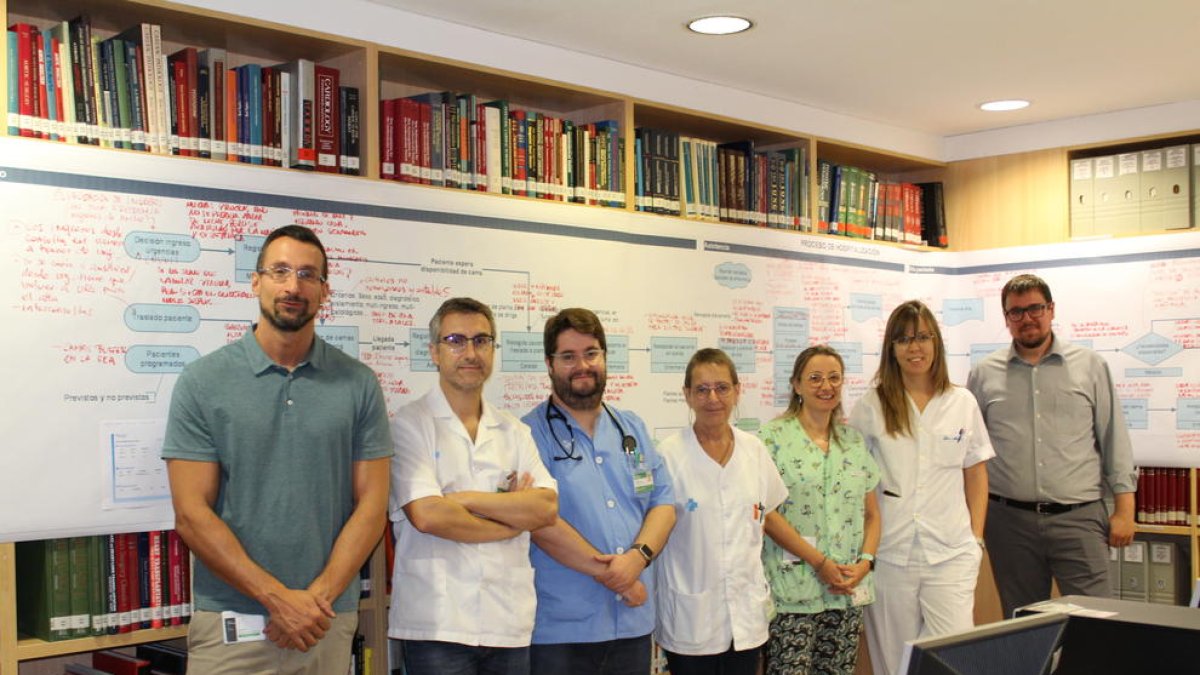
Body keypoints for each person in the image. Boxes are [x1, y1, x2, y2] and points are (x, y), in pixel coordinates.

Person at [162, 225, 393, 674]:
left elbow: (371, 504)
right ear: (256, 281)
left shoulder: (359, 383)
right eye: (280, 271)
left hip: (324, 619)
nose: (293, 286)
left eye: (308, 275)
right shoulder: (203, 381)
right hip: (232, 618)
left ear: (324, 292)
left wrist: (314, 602)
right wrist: (276, 599)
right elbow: (191, 513)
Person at [389, 297, 558, 675]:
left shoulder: (515, 431)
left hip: (507, 621)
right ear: (434, 351)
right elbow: (429, 516)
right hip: (437, 623)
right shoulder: (409, 423)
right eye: (455, 340)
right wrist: (512, 519)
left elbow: (545, 508)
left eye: (482, 341)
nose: (470, 352)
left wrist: (460, 499)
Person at [967, 273, 1137, 618]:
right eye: (1016, 312)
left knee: (1097, 622)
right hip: (1009, 523)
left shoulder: (1090, 366)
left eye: (1035, 308)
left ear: (1051, 309)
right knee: (1024, 626)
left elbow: (1114, 438)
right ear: (1006, 318)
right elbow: (971, 454)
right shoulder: (984, 374)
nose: (1027, 318)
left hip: (1080, 518)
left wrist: (1124, 510)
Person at [522, 308, 676, 674]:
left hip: (633, 623)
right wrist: (618, 577)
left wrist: (635, 560)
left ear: (605, 357)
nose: (582, 365)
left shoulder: (631, 428)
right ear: (549, 364)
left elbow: (663, 504)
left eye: (591, 353)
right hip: (561, 630)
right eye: (568, 356)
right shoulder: (528, 435)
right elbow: (540, 522)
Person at [849, 300, 993, 675]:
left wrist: (976, 538)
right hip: (892, 554)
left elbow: (975, 472)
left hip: (950, 552)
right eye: (904, 339)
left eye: (924, 337)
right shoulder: (872, 405)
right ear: (891, 349)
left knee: (955, 657)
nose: (915, 348)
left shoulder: (962, 402)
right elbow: (857, 482)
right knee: (895, 664)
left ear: (937, 344)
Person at [654, 348, 787, 675]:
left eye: (722, 387)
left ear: (737, 391)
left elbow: (767, 513)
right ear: (687, 395)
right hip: (690, 618)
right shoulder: (668, 456)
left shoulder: (754, 451)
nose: (713, 398)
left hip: (746, 617)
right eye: (702, 389)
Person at [759, 345, 880, 675]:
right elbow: (766, 514)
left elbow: (871, 514)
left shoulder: (853, 442)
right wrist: (819, 562)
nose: (826, 386)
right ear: (796, 385)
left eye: (833, 378)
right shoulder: (771, 439)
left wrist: (865, 563)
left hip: (845, 589)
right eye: (814, 378)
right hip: (792, 590)